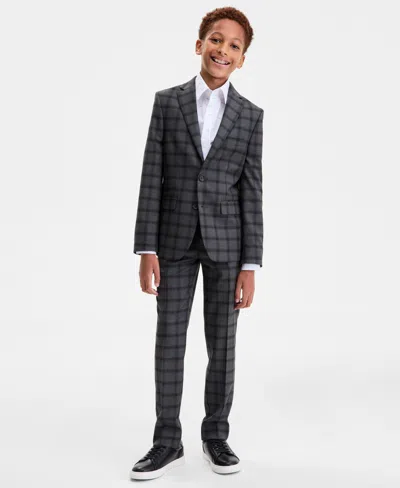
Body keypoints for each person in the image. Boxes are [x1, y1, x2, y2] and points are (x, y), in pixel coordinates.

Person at [131, 6, 264, 480]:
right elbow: (152, 176)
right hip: (172, 241)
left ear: (242, 59)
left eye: (234, 46)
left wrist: (251, 264)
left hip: (228, 244)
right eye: (216, 39)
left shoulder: (250, 116)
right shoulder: (168, 103)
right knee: (169, 340)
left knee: (222, 344)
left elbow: (252, 190)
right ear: (199, 44)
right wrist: (146, 248)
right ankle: (167, 440)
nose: (222, 49)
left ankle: (216, 435)